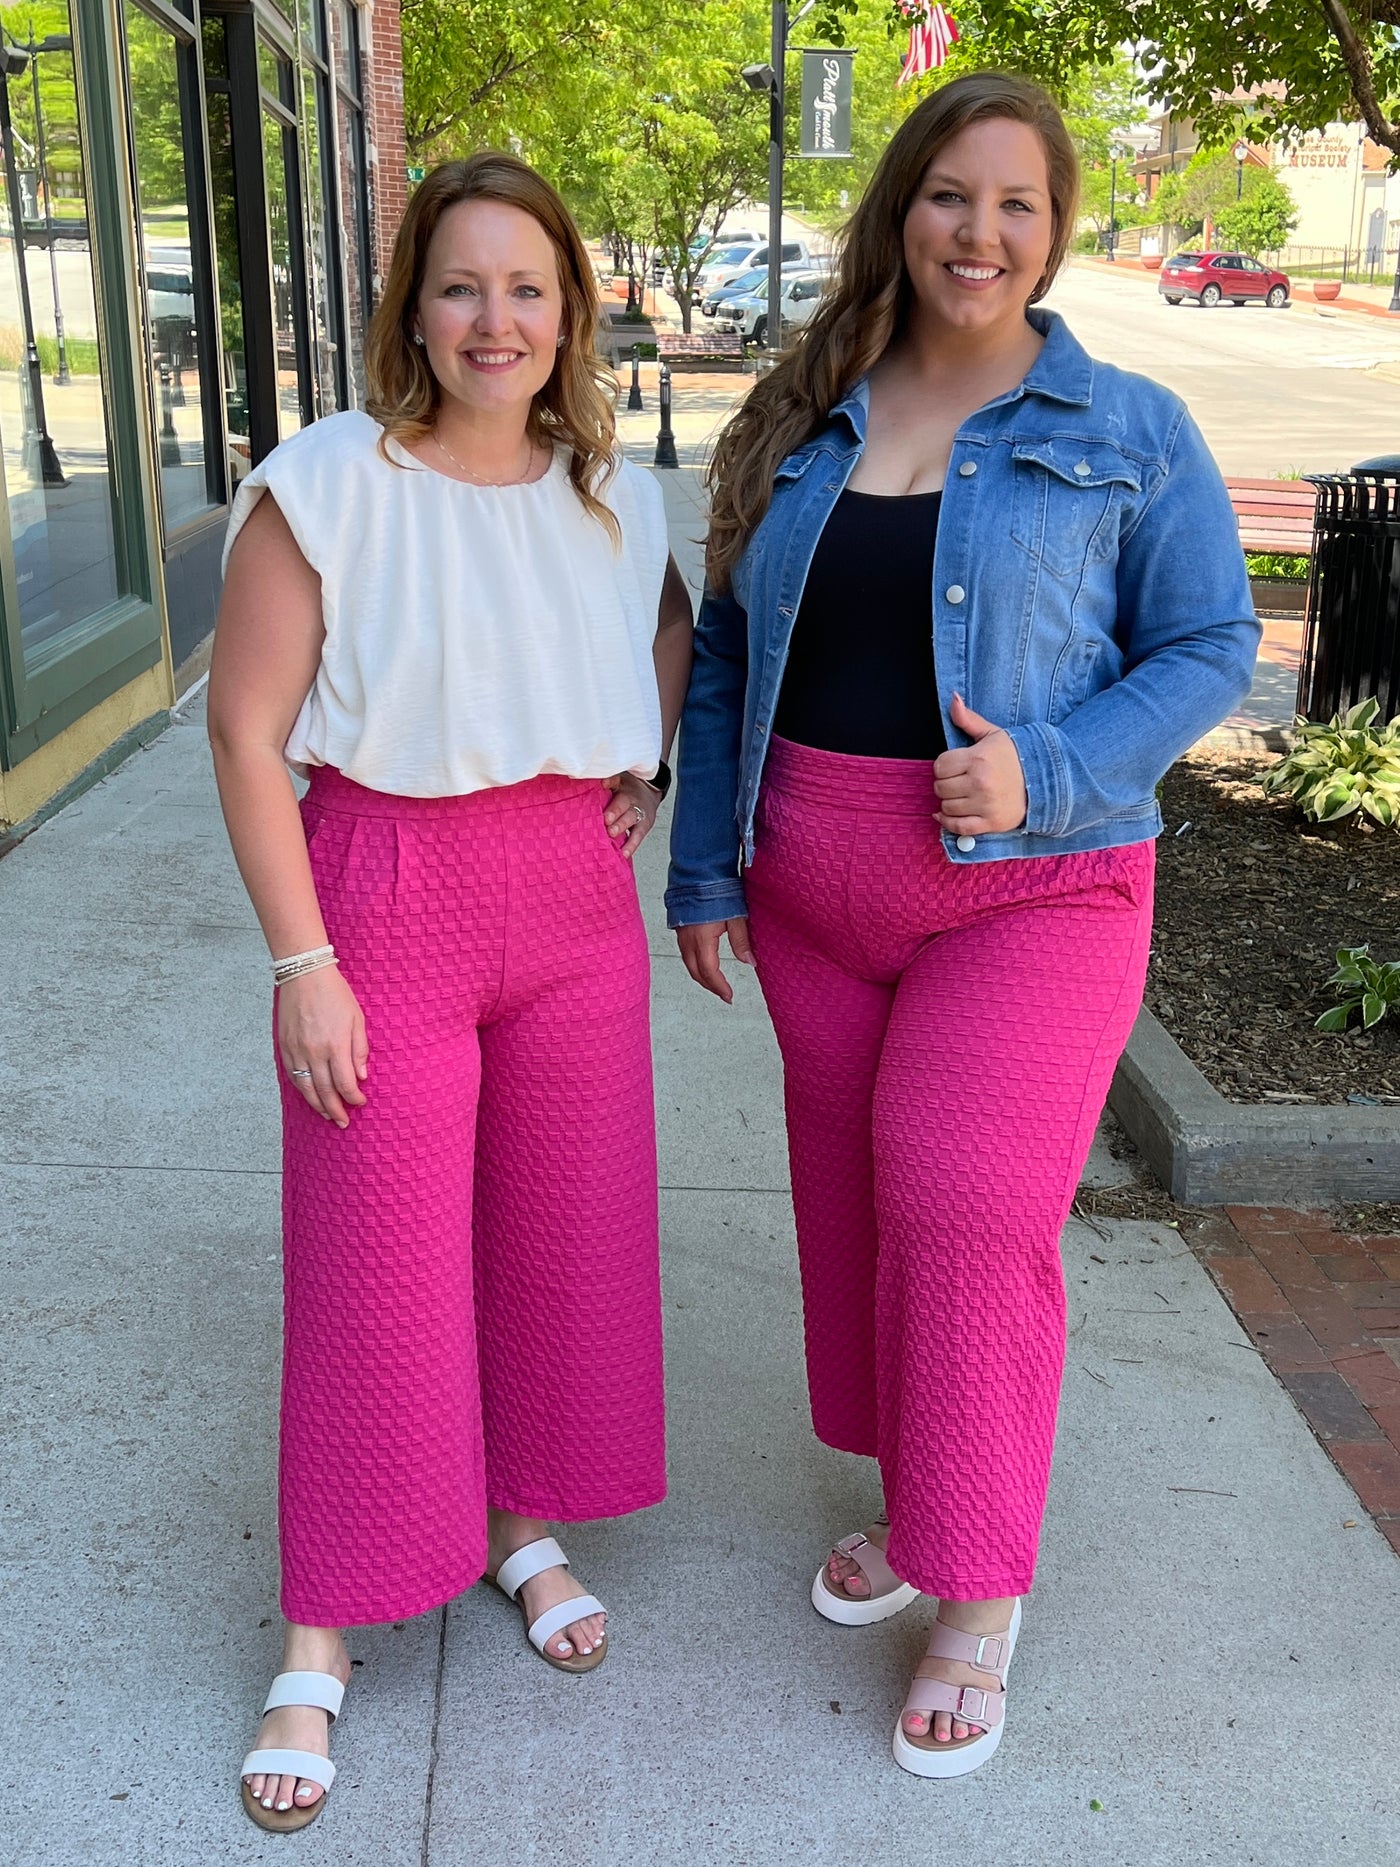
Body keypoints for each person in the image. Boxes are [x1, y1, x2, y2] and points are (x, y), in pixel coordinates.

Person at [666, 72, 1258, 1779]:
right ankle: (923, 1513)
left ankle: (979, 1588)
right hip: (814, 880)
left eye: (1015, 203)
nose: (978, 231)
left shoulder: (1128, 426)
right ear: (900, 210)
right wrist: (707, 867)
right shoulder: (798, 409)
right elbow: (719, 661)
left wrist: (1053, 771)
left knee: (967, 1197)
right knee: (862, 1208)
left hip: (1034, 883)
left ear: (1058, 230)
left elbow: (1210, 643)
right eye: (947, 194)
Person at [208, 152, 692, 1832]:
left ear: (573, 314)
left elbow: (669, 617)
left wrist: (651, 756)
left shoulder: (604, 493)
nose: (498, 320)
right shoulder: (329, 482)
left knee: (550, 1241)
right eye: (464, 286)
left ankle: (512, 1520)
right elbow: (244, 731)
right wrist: (302, 962)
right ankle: (322, 1629)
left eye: (529, 289)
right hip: (385, 900)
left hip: (568, 908)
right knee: (374, 1261)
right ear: (414, 304)